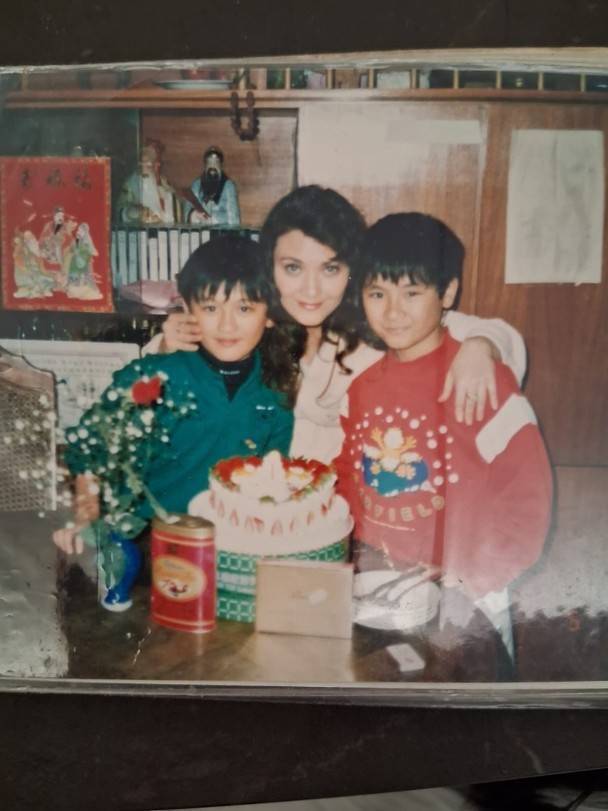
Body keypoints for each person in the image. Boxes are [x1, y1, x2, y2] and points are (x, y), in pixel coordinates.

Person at [149, 186, 526, 464]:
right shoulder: (257, 321)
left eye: (330, 269)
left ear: (350, 271)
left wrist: (481, 347)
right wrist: (167, 343)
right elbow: (157, 378)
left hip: (350, 506)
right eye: (293, 268)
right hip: (263, 502)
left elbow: (484, 333)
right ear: (270, 267)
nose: (311, 290)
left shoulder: (377, 324)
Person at [334, 212, 553, 659]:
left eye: (412, 293)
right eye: (377, 294)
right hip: (382, 588)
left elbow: (528, 499)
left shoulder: (483, 382)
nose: (393, 311)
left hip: (469, 597)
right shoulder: (360, 390)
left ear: (448, 292)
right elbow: (348, 480)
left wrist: (474, 577)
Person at [53, 235, 295, 555]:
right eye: (210, 307)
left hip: (232, 546)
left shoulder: (276, 390)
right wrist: (86, 517)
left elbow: (272, 482)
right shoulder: (153, 377)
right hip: (146, 541)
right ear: (187, 307)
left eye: (244, 308)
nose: (227, 325)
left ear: (270, 314)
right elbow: (90, 450)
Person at [117, 142, 182, 225]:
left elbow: (174, 213)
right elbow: (121, 211)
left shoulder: (164, 182)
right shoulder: (131, 183)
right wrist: (137, 212)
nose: (146, 165)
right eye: (144, 162)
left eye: (151, 161)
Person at [184, 146, 240, 227]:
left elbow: (234, 219)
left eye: (216, 162)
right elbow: (187, 213)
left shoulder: (228, 187)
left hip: (221, 232)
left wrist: (214, 219)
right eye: (209, 161)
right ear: (205, 164)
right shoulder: (196, 185)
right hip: (201, 231)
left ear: (220, 164)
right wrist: (194, 215)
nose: (213, 165)